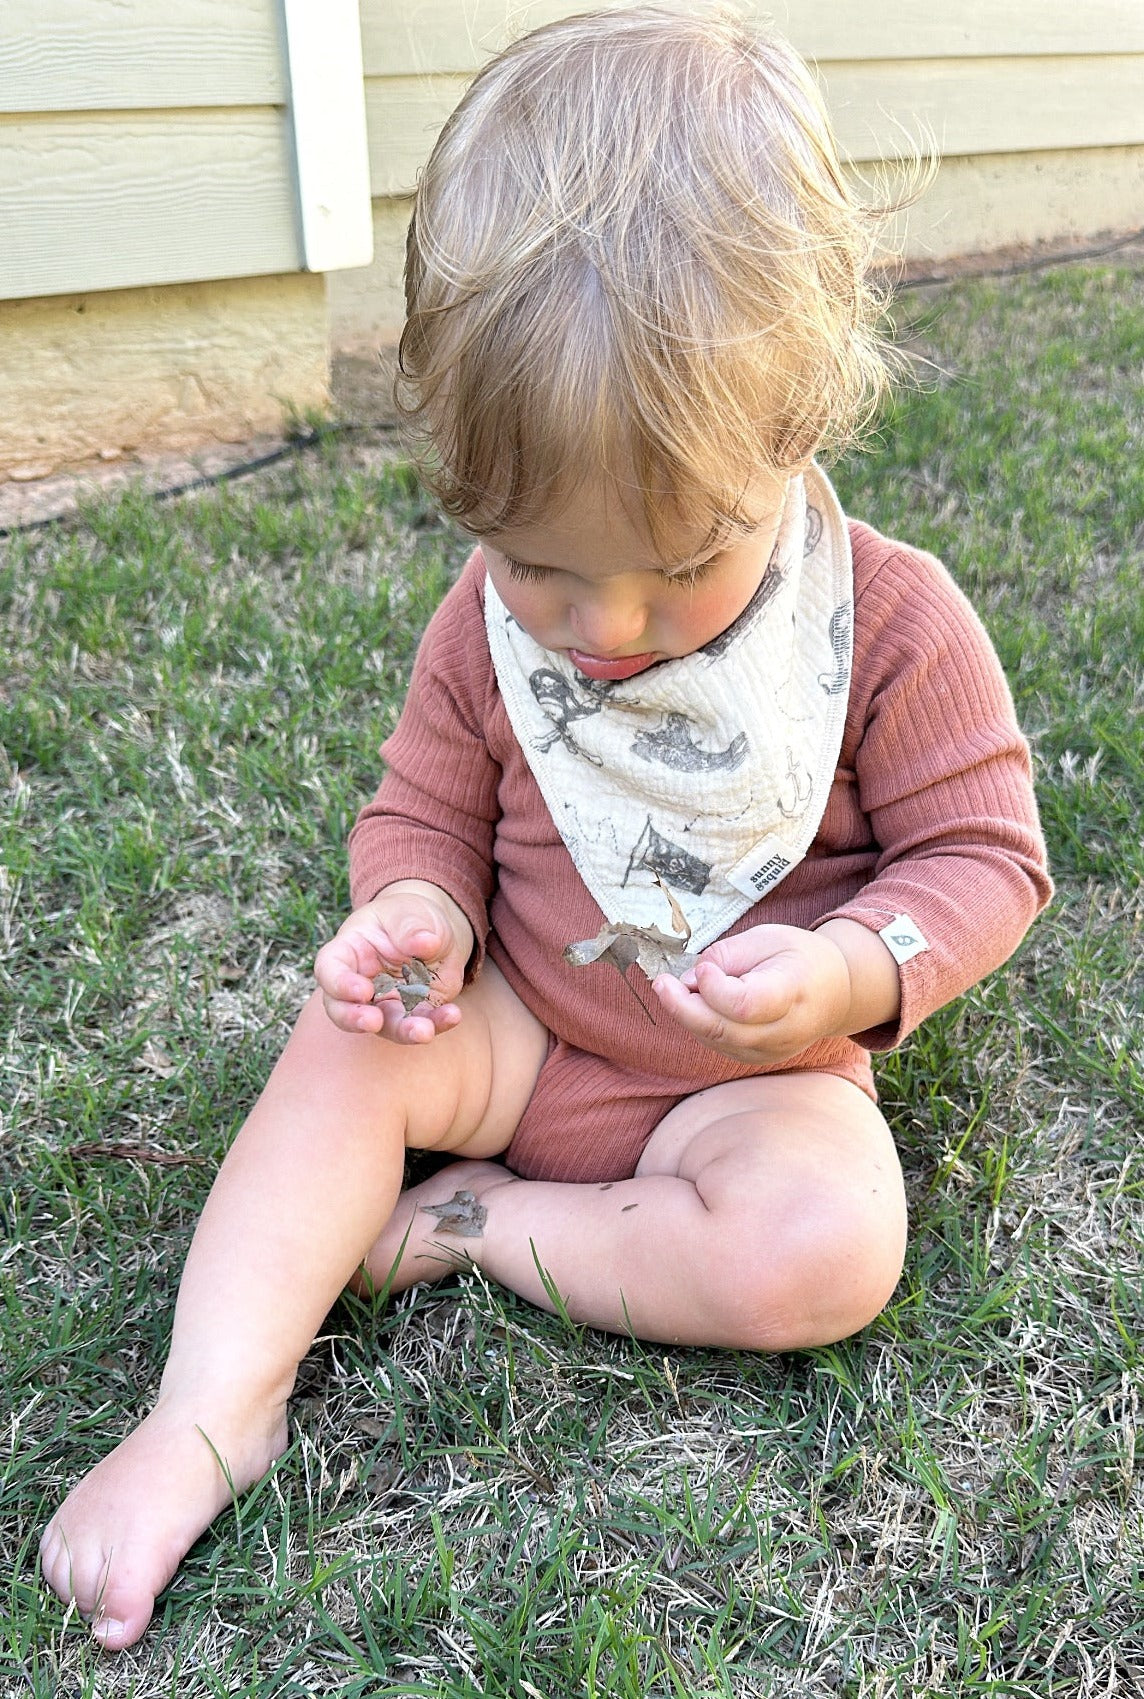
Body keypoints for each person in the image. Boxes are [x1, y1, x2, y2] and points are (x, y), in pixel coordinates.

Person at [39, 5, 1052, 1651]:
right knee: (346, 1046)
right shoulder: (486, 627)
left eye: (675, 570)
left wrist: (858, 972)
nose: (603, 628)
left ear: (798, 436)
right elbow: (425, 805)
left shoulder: (891, 624)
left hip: (748, 1087)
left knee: (831, 1247)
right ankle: (205, 1416)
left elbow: (990, 858)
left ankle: (476, 1225)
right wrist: (418, 915)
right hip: (519, 1027)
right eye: (543, 567)